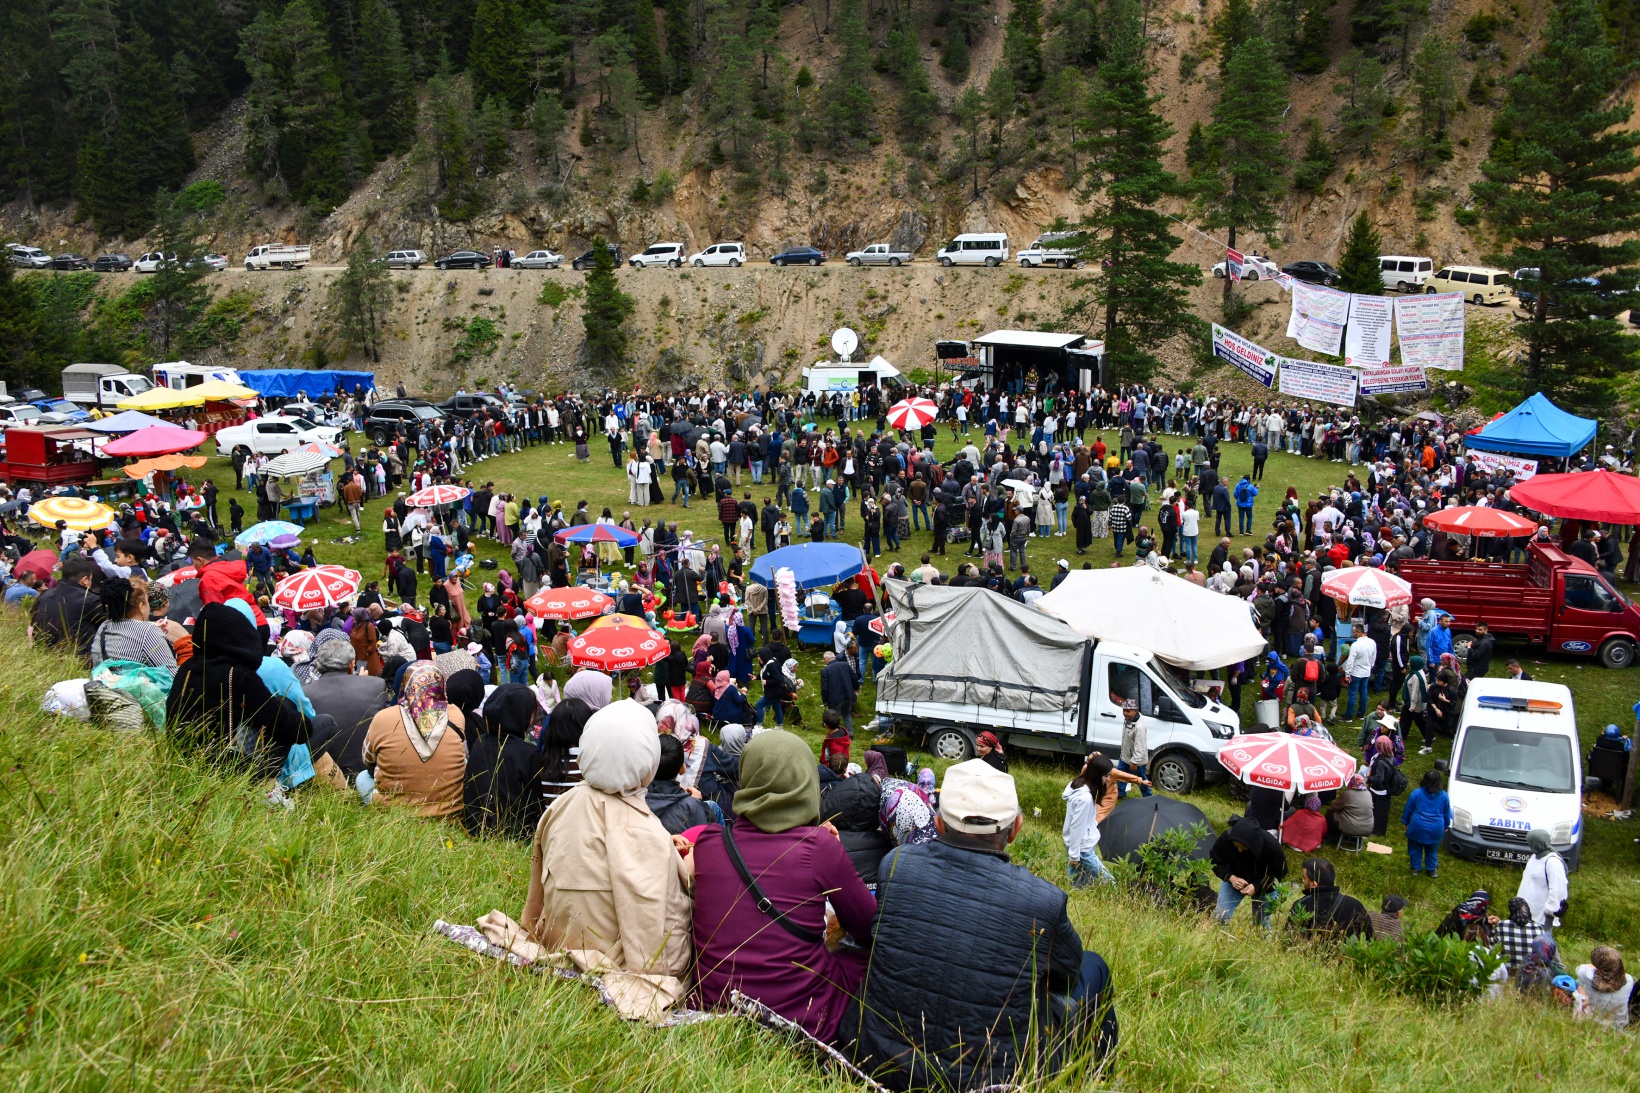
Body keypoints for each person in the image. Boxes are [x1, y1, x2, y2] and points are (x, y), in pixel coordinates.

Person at [844, 759, 1118, 1089]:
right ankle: (1099, 1074)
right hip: (986, 1078)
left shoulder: (896, 864)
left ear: (940, 824)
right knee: (1095, 967)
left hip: (877, 1059)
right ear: (1015, 829)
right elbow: (1067, 973)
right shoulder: (1043, 900)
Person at [691, 730, 875, 1042]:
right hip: (799, 1016)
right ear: (805, 780)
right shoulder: (818, 846)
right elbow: (867, 925)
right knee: (866, 964)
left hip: (714, 1004)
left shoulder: (710, 841)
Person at [522, 700, 693, 1021]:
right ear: (647, 760)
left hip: (557, 942)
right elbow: (660, 933)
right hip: (610, 963)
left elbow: (536, 901)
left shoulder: (559, 808)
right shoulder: (647, 832)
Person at [166, 602, 310, 776]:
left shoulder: (187, 668)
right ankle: (270, 789)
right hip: (226, 771)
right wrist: (306, 723)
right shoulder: (238, 676)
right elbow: (289, 729)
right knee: (304, 715)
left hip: (181, 766)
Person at [361, 662, 467, 818]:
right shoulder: (455, 715)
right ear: (441, 684)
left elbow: (367, 759)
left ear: (406, 684)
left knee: (362, 777)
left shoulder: (383, 717)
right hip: (449, 814)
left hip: (393, 815)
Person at [459, 678, 545, 839]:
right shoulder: (529, 753)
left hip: (474, 826)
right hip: (513, 834)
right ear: (522, 715)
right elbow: (536, 803)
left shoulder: (480, 742)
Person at [305, 630, 390, 779]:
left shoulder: (305, 694)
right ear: (352, 664)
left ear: (318, 665)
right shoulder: (376, 684)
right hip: (375, 771)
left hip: (331, 776)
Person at [89, 576, 185, 672]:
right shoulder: (148, 632)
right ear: (141, 606)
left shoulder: (104, 627)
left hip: (104, 684)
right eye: (147, 601)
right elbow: (172, 675)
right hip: (133, 687)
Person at [1210, 816, 1287, 927]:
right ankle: (1220, 941)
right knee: (1221, 916)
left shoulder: (1272, 846)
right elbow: (1214, 861)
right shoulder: (1226, 838)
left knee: (1262, 928)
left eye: (1244, 848)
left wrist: (1257, 887)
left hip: (1264, 885)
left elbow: (1278, 873)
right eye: (1236, 847)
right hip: (1234, 880)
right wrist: (1231, 877)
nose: (1240, 850)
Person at [31, 554, 104, 658]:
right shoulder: (91, 600)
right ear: (85, 580)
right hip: (80, 661)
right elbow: (108, 629)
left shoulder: (44, 595)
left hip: (42, 655)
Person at [1287, 858, 1372, 942]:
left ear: (1314, 884)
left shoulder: (1301, 905)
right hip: (1348, 955)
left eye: (1304, 878)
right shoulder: (1356, 905)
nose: (1303, 881)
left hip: (1310, 954)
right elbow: (1369, 938)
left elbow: (1288, 937)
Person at [645, 735, 715, 834]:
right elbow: (705, 834)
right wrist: (699, 803)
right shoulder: (692, 805)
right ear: (682, 769)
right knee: (713, 806)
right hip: (678, 847)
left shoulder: (633, 792)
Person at [1062, 754, 1114, 886]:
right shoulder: (1084, 799)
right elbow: (1076, 827)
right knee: (1110, 883)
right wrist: (1074, 855)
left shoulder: (1080, 785)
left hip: (1081, 846)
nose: (1109, 779)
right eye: (1106, 776)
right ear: (1097, 775)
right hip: (1083, 849)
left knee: (1078, 882)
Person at [1400, 768, 1452, 878]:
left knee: (1414, 848)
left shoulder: (1416, 793)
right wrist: (1446, 826)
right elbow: (1447, 813)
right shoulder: (1444, 796)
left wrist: (1405, 821)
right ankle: (1432, 870)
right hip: (1436, 828)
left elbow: (1408, 809)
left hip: (1417, 827)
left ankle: (1415, 868)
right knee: (1432, 850)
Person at [1516, 827, 1569, 930]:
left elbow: (1558, 889)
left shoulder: (1552, 862)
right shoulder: (1533, 857)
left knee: (1541, 945)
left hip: (1541, 917)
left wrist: (1550, 910)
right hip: (1525, 913)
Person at [1575, 947, 1634, 1029]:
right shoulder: (1629, 981)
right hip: (1619, 1025)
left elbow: (1584, 968)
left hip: (1589, 1022)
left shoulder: (1585, 974)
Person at [1117, 698, 1150, 798]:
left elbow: (1140, 746)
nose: (1125, 713)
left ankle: (1148, 797)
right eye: (1124, 710)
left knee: (1141, 780)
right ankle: (1121, 793)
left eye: (1128, 711)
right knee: (1120, 775)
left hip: (1136, 761)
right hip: (1125, 756)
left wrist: (1134, 762)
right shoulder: (1128, 719)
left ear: (1135, 711)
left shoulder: (1139, 726)